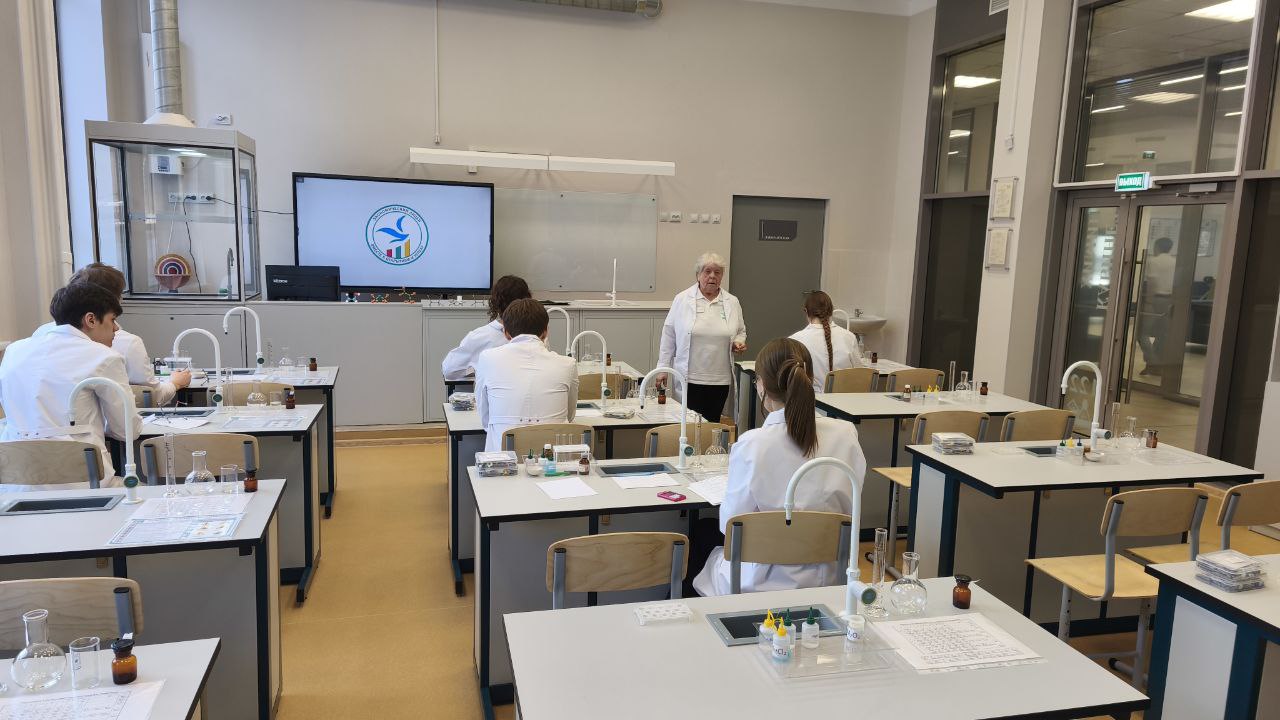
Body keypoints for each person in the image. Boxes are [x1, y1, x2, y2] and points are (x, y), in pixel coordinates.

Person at [692, 338, 866, 596]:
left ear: (761, 385)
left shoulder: (752, 444)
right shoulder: (846, 434)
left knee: (701, 535)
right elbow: (851, 506)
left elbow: (730, 525)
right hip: (830, 578)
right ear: (809, 379)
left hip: (759, 583)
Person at [0, 282, 142, 480]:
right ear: (91, 319)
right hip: (83, 481)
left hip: (15, 480)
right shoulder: (104, 356)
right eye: (113, 319)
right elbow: (126, 430)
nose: (116, 328)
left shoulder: (14, 350)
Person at [33, 263, 191, 405]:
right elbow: (151, 396)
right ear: (112, 300)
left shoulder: (40, 334)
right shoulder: (122, 346)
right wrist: (175, 383)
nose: (114, 329)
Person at [474, 298, 578, 452]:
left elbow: (484, 416)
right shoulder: (568, 364)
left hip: (502, 459)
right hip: (554, 460)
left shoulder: (487, 358)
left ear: (505, 332)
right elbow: (569, 416)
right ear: (546, 332)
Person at [657, 252, 746, 424]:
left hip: (720, 380)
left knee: (712, 427)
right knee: (688, 426)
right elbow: (669, 336)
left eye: (717, 272)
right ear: (698, 275)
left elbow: (741, 331)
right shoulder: (682, 299)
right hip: (689, 377)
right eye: (707, 271)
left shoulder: (732, 302)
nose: (712, 276)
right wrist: (663, 368)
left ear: (722, 276)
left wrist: (738, 342)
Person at [442, 275, 532, 382]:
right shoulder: (538, 335)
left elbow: (448, 370)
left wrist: (477, 369)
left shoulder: (479, 337)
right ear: (528, 301)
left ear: (495, 302)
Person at [789, 290, 863, 392]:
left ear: (806, 311)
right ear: (831, 311)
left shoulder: (794, 340)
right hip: (844, 399)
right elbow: (859, 372)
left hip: (810, 399)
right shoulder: (849, 337)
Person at [1137, 237, 1175, 376]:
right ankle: (1153, 366)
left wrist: (1149, 302)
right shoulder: (1175, 262)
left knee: (1141, 334)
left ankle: (1153, 363)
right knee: (1161, 334)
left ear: (1157, 247)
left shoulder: (1153, 261)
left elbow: (1152, 282)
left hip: (1155, 300)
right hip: (1169, 300)